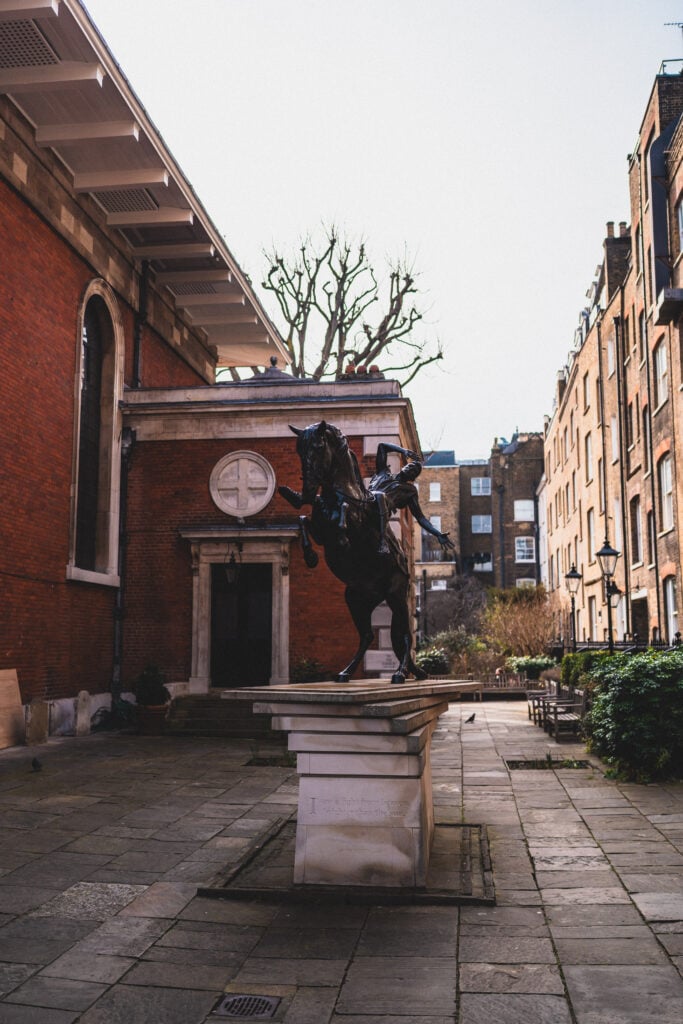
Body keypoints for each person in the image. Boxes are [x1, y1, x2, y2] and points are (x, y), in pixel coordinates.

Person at [368, 443, 455, 555]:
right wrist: (403, 451)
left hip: (379, 513)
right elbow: (381, 447)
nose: (411, 469)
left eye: (414, 471)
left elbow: (420, 517)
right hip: (366, 502)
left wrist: (437, 533)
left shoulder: (409, 491)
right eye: (411, 466)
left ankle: (383, 540)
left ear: (412, 478)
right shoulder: (383, 472)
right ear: (404, 466)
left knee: (380, 495)